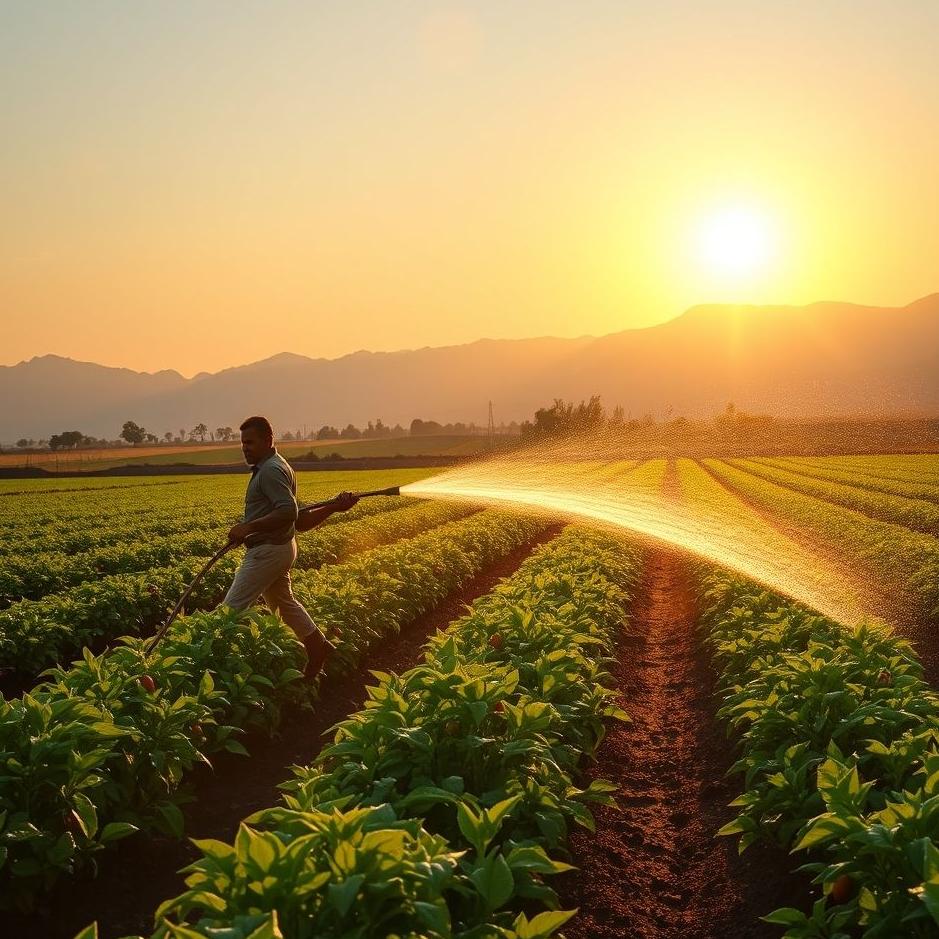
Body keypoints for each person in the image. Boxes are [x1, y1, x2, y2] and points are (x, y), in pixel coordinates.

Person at [220, 415, 358, 678]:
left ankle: (218, 670)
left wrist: (248, 527)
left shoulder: (270, 470)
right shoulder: (275, 466)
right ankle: (318, 646)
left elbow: (287, 513)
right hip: (281, 547)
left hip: (268, 551)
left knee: (229, 612)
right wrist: (333, 508)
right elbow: (300, 519)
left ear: (268, 440)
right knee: (284, 604)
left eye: (250, 442)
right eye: (242, 443)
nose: (245, 448)